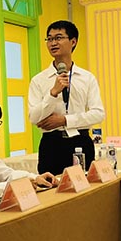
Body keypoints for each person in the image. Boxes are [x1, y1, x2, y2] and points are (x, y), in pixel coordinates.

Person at [28, 20, 105, 175]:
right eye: (49, 39)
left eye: (58, 38)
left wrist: (65, 120)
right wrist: (53, 93)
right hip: (51, 144)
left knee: (85, 186)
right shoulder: (39, 80)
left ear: (73, 41)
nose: (53, 43)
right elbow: (34, 117)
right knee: (50, 187)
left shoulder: (86, 78)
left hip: (81, 141)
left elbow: (98, 114)